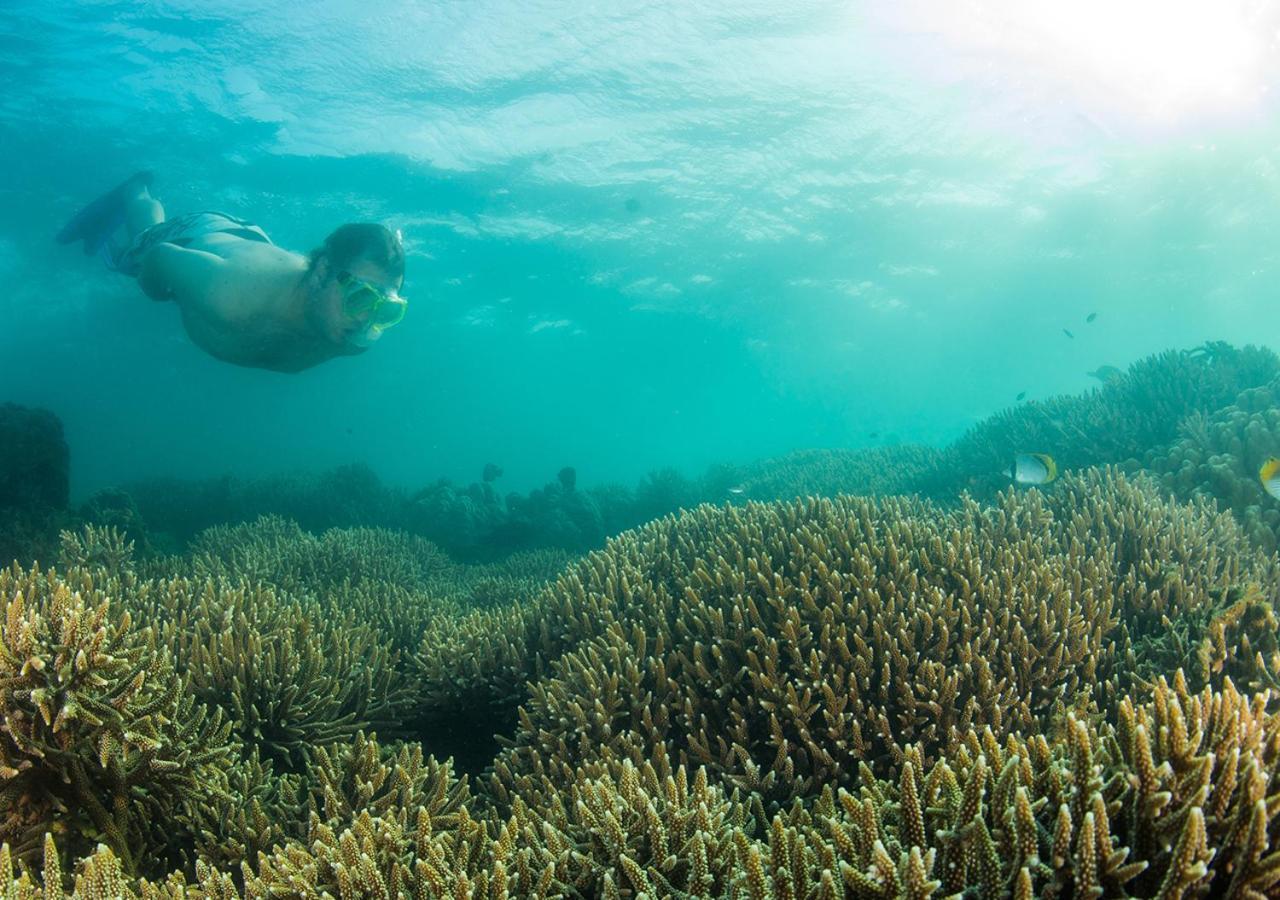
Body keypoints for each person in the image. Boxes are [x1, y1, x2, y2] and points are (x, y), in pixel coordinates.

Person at [56, 172, 407, 373]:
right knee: (142, 244)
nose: (366, 319)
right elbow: (161, 256)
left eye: (386, 310)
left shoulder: (355, 337)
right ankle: (135, 189)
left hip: (252, 245)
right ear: (320, 275)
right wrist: (155, 291)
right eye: (360, 296)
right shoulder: (228, 295)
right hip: (204, 235)